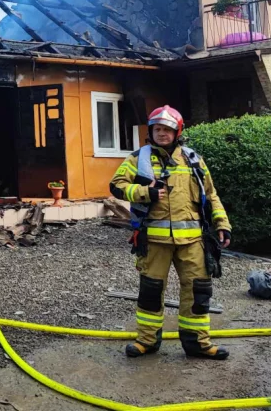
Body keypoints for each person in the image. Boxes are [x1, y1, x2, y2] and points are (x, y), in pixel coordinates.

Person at [110, 105, 233, 360]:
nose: (162, 133)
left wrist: (222, 224)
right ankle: (146, 341)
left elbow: (211, 195)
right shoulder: (138, 158)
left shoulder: (193, 159)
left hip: (193, 240)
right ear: (150, 131)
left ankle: (198, 343)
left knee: (198, 291)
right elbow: (116, 186)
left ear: (178, 132)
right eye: (157, 129)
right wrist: (145, 192)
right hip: (154, 241)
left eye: (167, 129)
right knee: (151, 292)